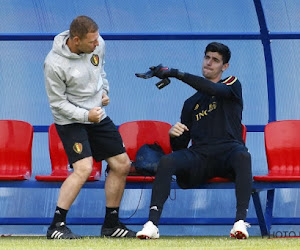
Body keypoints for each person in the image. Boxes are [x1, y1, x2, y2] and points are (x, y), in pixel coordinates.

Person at [136, 42, 252, 239]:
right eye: (207, 57)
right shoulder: (190, 103)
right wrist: (175, 135)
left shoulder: (232, 83)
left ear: (224, 67)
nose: (209, 63)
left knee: (243, 156)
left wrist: (176, 73)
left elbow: (213, 89)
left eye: (215, 60)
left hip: (229, 153)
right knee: (167, 160)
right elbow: (180, 147)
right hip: (201, 157)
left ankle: (240, 223)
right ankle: (151, 225)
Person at [44, 15, 136, 239]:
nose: (97, 44)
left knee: (122, 164)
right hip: (70, 120)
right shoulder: (54, 64)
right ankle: (56, 226)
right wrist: (85, 114)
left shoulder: (98, 44)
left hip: (97, 114)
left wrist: (104, 91)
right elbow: (57, 104)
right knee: (84, 168)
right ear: (76, 40)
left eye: (97, 39)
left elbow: (100, 72)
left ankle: (111, 226)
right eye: (91, 41)